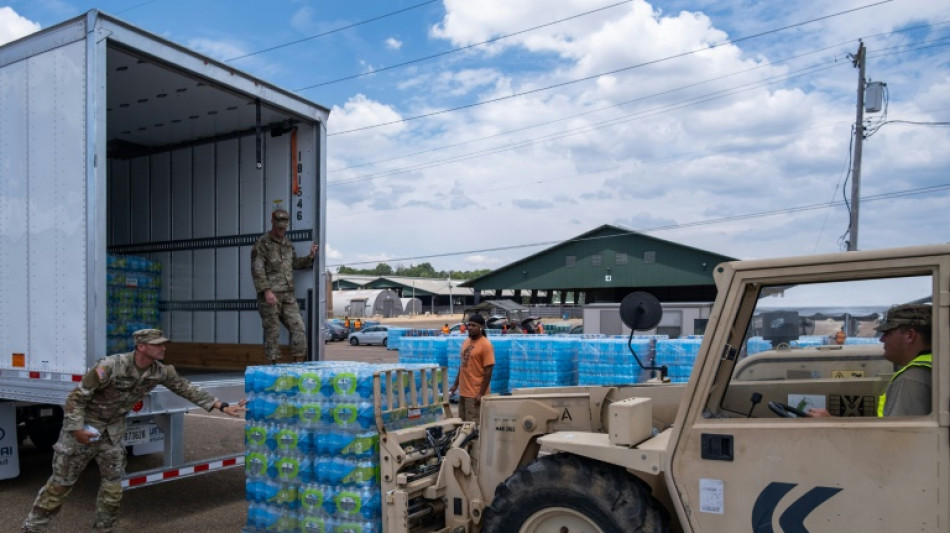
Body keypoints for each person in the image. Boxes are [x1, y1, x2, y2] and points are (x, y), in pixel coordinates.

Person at [22, 329, 247, 532]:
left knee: (113, 486)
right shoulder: (110, 366)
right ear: (141, 347)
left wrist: (222, 406)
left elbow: (187, 389)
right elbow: (77, 397)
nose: (163, 347)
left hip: (113, 433)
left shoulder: (161, 371)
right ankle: (34, 526)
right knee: (61, 483)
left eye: (163, 343)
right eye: (157, 344)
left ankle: (104, 528)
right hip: (84, 430)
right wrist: (76, 429)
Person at [809, 303, 932, 418]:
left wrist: (832, 426)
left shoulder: (911, 380)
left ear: (910, 335)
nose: (882, 339)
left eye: (888, 333)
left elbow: (896, 437)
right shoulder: (933, 366)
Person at [251, 209, 318, 363]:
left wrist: (310, 257)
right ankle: (274, 370)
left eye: (284, 228)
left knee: (299, 329)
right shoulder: (262, 244)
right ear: (273, 224)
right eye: (279, 228)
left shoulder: (288, 245)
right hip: (270, 296)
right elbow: (257, 269)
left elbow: (294, 263)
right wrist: (267, 291)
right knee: (272, 333)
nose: (281, 231)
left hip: (288, 295)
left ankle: (298, 370)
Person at [449, 313, 495, 423]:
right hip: (463, 393)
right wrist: (455, 385)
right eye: (468, 325)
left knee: (473, 427)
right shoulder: (466, 342)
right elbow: (463, 365)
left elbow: (488, 371)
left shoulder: (485, 345)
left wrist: (481, 393)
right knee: (462, 424)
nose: (470, 328)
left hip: (475, 394)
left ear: (481, 327)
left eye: (473, 325)